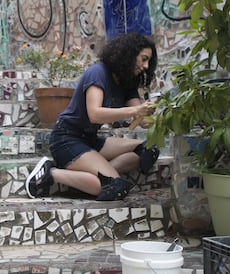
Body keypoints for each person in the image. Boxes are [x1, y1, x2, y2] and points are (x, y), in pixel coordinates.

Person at [25, 32, 161, 201]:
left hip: (90, 140)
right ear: (129, 54)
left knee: (148, 150)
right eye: (144, 59)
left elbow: (143, 122)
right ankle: (51, 173)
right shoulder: (98, 73)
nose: (146, 66)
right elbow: (95, 114)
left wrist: (156, 114)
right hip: (67, 139)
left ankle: (98, 176)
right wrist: (136, 111)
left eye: (149, 61)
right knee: (115, 188)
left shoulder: (127, 83)